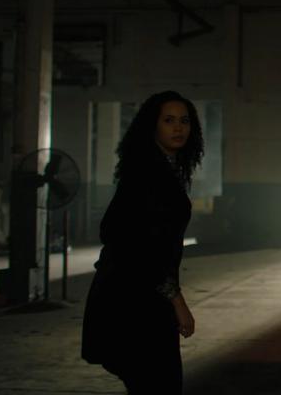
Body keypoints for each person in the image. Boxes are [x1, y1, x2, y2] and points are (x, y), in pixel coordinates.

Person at [82, 91, 204, 394]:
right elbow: (140, 246)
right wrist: (178, 302)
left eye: (184, 121)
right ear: (153, 126)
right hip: (135, 302)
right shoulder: (148, 174)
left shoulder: (163, 169)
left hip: (141, 297)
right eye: (169, 120)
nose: (178, 128)